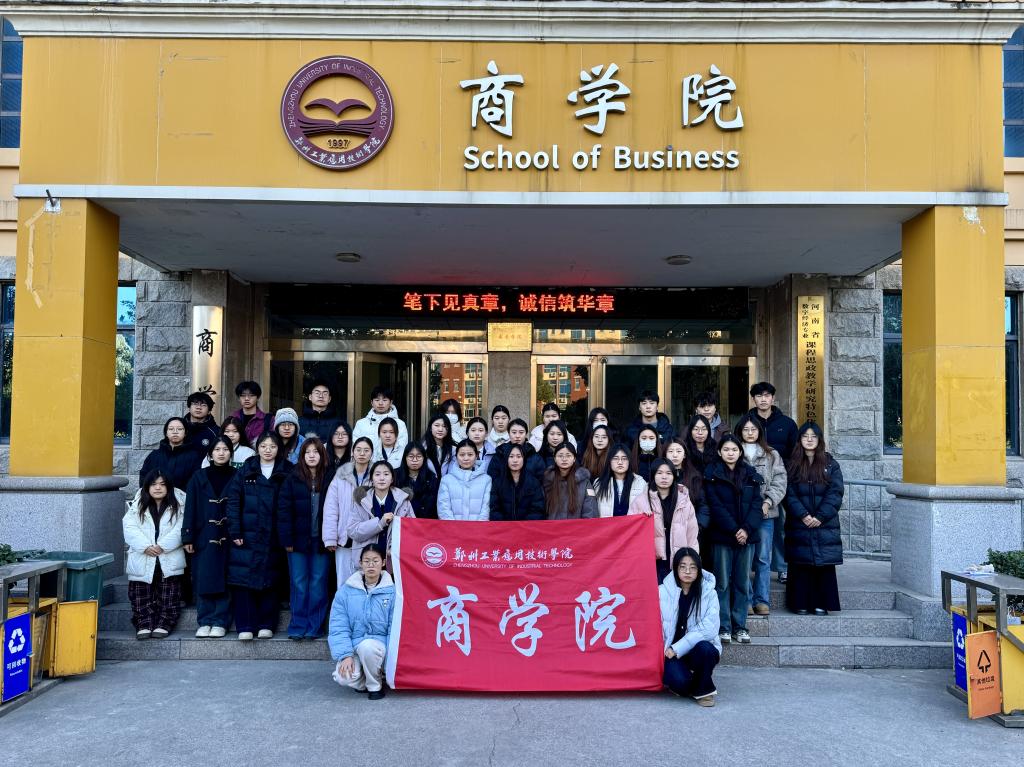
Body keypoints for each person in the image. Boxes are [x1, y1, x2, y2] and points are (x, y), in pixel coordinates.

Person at [226, 432, 289, 640]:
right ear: (257, 448)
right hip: (246, 534)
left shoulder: (287, 471)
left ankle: (266, 624)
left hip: (274, 535)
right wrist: (235, 530)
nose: (268, 450)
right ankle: (245, 625)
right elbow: (234, 501)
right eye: (263, 446)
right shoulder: (246, 470)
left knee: (270, 579)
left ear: (279, 448)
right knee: (243, 579)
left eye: (272, 446)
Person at [704, 434, 763, 645]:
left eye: (734, 450)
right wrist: (734, 529)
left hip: (746, 537)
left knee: (742, 583)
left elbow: (757, 505)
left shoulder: (751, 475)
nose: (730, 453)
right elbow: (715, 506)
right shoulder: (712, 475)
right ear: (720, 452)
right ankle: (724, 627)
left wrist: (745, 529)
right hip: (722, 536)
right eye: (726, 449)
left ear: (740, 452)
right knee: (722, 583)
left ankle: (740, 626)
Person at [785, 422, 845, 616]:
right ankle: (799, 603)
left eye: (813, 436)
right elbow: (788, 493)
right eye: (805, 436)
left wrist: (820, 516)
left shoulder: (830, 464)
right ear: (799, 439)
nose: (809, 440)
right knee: (800, 563)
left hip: (824, 524)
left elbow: (835, 493)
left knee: (823, 564)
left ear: (819, 439)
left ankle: (822, 603)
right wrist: (803, 515)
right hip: (799, 522)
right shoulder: (792, 464)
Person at [277, 438, 333, 640]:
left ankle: (314, 626)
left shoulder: (330, 477)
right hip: (297, 541)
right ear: (301, 456)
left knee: (318, 583)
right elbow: (283, 511)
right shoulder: (292, 478)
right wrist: (287, 540)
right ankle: (298, 624)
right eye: (307, 452)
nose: (311, 455)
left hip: (322, 541)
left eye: (315, 451)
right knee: (299, 583)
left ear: (322, 455)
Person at [123, 470, 187, 640]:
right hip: (143, 556)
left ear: (169, 487)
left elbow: (181, 528)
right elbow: (129, 527)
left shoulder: (179, 505)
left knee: (169, 593)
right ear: (147, 487)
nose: (158, 488)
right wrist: (145, 546)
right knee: (140, 593)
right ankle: (143, 623)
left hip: (169, 556)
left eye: (162, 484)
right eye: (153, 484)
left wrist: (163, 546)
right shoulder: (137, 505)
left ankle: (164, 623)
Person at [183, 438, 236, 638]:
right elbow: (190, 508)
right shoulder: (198, 477)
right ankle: (205, 620)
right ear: (210, 454)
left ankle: (221, 621)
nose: (221, 453)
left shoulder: (237, 476)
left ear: (231, 453)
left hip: (229, 535)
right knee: (203, 577)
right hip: (203, 534)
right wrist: (187, 536)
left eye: (225, 449)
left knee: (225, 577)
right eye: (217, 449)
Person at [748, 381, 799, 588]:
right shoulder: (747, 423)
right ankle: (754, 567)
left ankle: (782, 566)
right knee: (753, 526)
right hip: (752, 486)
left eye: (767, 395)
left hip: (780, 483)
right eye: (759, 395)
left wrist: (788, 478)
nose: (763, 399)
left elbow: (795, 455)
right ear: (753, 399)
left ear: (773, 398)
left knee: (781, 527)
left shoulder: (787, 424)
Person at [735, 414, 788, 616]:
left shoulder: (771, 454)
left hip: (765, 514)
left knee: (763, 558)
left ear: (760, 432)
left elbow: (780, 481)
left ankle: (762, 600)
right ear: (740, 431)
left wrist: (768, 502)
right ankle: (747, 600)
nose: (750, 433)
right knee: (744, 558)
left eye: (753, 429)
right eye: (746, 429)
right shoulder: (733, 451)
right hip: (742, 515)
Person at [329, 544, 394, 700]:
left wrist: (391, 661)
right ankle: (365, 681)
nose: (371, 565)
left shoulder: (393, 592)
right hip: (355, 646)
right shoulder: (345, 591)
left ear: (383, 563)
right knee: (343, 677)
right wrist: (346, 655)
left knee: (368, 647)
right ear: (360, 563)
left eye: (375, 561)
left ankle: (375, 686)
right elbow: (338, 626)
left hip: (380, 647)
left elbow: (395, 628)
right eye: (366, 561)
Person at [659, 547, 721, 707]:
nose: (688, 571)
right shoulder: (662, 592)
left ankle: (704, 691)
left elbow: (710, 628)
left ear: (699, 570)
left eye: (693, 567)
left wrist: (678, 648)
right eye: (683, 566)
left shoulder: (709, 593)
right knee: (680, 684)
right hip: (670, 652)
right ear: (675, 568)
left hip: (695, 650)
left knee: (706, 649)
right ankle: (696, 680)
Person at [631, 458, 699, 581]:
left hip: (679, 560)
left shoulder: (684, 501)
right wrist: (642, 519)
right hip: (652, 560)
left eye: (668, 473)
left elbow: (692, 534)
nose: (664, 477)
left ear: (674, 476)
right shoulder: (641, 501)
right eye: (659, 473)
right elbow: (632, 531)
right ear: (653, 475)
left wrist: (693, 559)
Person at [343, 460, 415, 575]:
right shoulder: (361, 501)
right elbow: (353, 531)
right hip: (367, 561)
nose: (382, 478)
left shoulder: (403, 501)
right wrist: (379, 524)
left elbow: (412, 532)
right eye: (377, 474)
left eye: (386, 474)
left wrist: (395, 549)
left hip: (394, 561)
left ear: (392, 479)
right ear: (371, 479)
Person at [665, 437, 710, 551]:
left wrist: (698, 527)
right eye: (671, 451)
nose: (675, 455)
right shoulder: (659, 477)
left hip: (691, 533)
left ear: (684, 454)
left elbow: (703, 506)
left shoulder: (694, 477)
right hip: (666, 532)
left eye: (678, 451)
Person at [139, 416, 203, 490]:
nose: (175, 432)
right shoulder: (154, 455)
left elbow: (195, 482)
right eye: (171, 429)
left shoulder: (194, 457)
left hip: (183, 496)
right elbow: (144, 478)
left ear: (185, 433)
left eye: (179, 429)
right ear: (166, 433)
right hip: (156, 496)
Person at [437, 440, 492, 521]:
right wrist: (454, 527)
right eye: (462, 455)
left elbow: (486, 508)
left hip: (479, 528)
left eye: (470, 454)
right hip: (452, 528)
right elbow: (443, 508)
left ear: (476, 456)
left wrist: (479, 526)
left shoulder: (486, 480)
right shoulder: (446, 480)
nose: (466, 458)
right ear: (456, 456)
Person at [489, 444, 546, 521]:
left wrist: (522, 525)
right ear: (506, 459)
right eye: (511, 456)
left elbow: (537, 510)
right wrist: (506, 525)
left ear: (524, 459)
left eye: (519, 456)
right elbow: (494, 509)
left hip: (527, 526)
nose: (515, 460)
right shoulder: (498, 483)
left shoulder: (533, 482)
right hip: (504, 526)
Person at [543, 443, 598, 519]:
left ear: (574, 458)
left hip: (577, 526)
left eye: (568, 455)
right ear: (555, 458)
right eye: (560, 456)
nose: (564, 459)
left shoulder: (584, 482)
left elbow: (590, 511)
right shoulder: (548, 480)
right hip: (552, 526)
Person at [593, 444, 648, 518]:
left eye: (624, 458)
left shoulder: (640, 483)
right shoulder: (599, 483)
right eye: (615, 458)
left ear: (629, 461)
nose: (620, 462)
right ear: (609, 461)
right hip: (607, 525)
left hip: (632, 525)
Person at [353, 386, 410, 455]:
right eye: (377, 400)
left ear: (391, 402)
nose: (380, 403)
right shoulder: (361, 424)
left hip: (391, 462)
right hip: (367, 461)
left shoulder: (400, 424)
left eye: (384, 400)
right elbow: (355, 447)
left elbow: (402, 448)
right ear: (371, 402)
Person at [488, 418, 546, 486]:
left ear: (526, 434)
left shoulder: (534, 456)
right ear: (508, 433)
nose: (517, 436)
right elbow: (492, 477)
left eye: (521, 432)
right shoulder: (500, 454)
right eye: (514, 432)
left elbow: (540, 479)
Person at [396, 443, 439, 520]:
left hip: (425, 521)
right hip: (402, 521)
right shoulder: (395, 476)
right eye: (411, 456)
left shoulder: (432, 478)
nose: (415, 460)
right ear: (405, 458)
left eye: (418, 456)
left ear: (424, 458)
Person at [232, 380, 273, 445]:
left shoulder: (268, 420)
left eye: (251, 395)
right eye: (243, 395)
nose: (247, 399)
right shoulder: (233, 418)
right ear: (239, 398)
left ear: (258, 398)